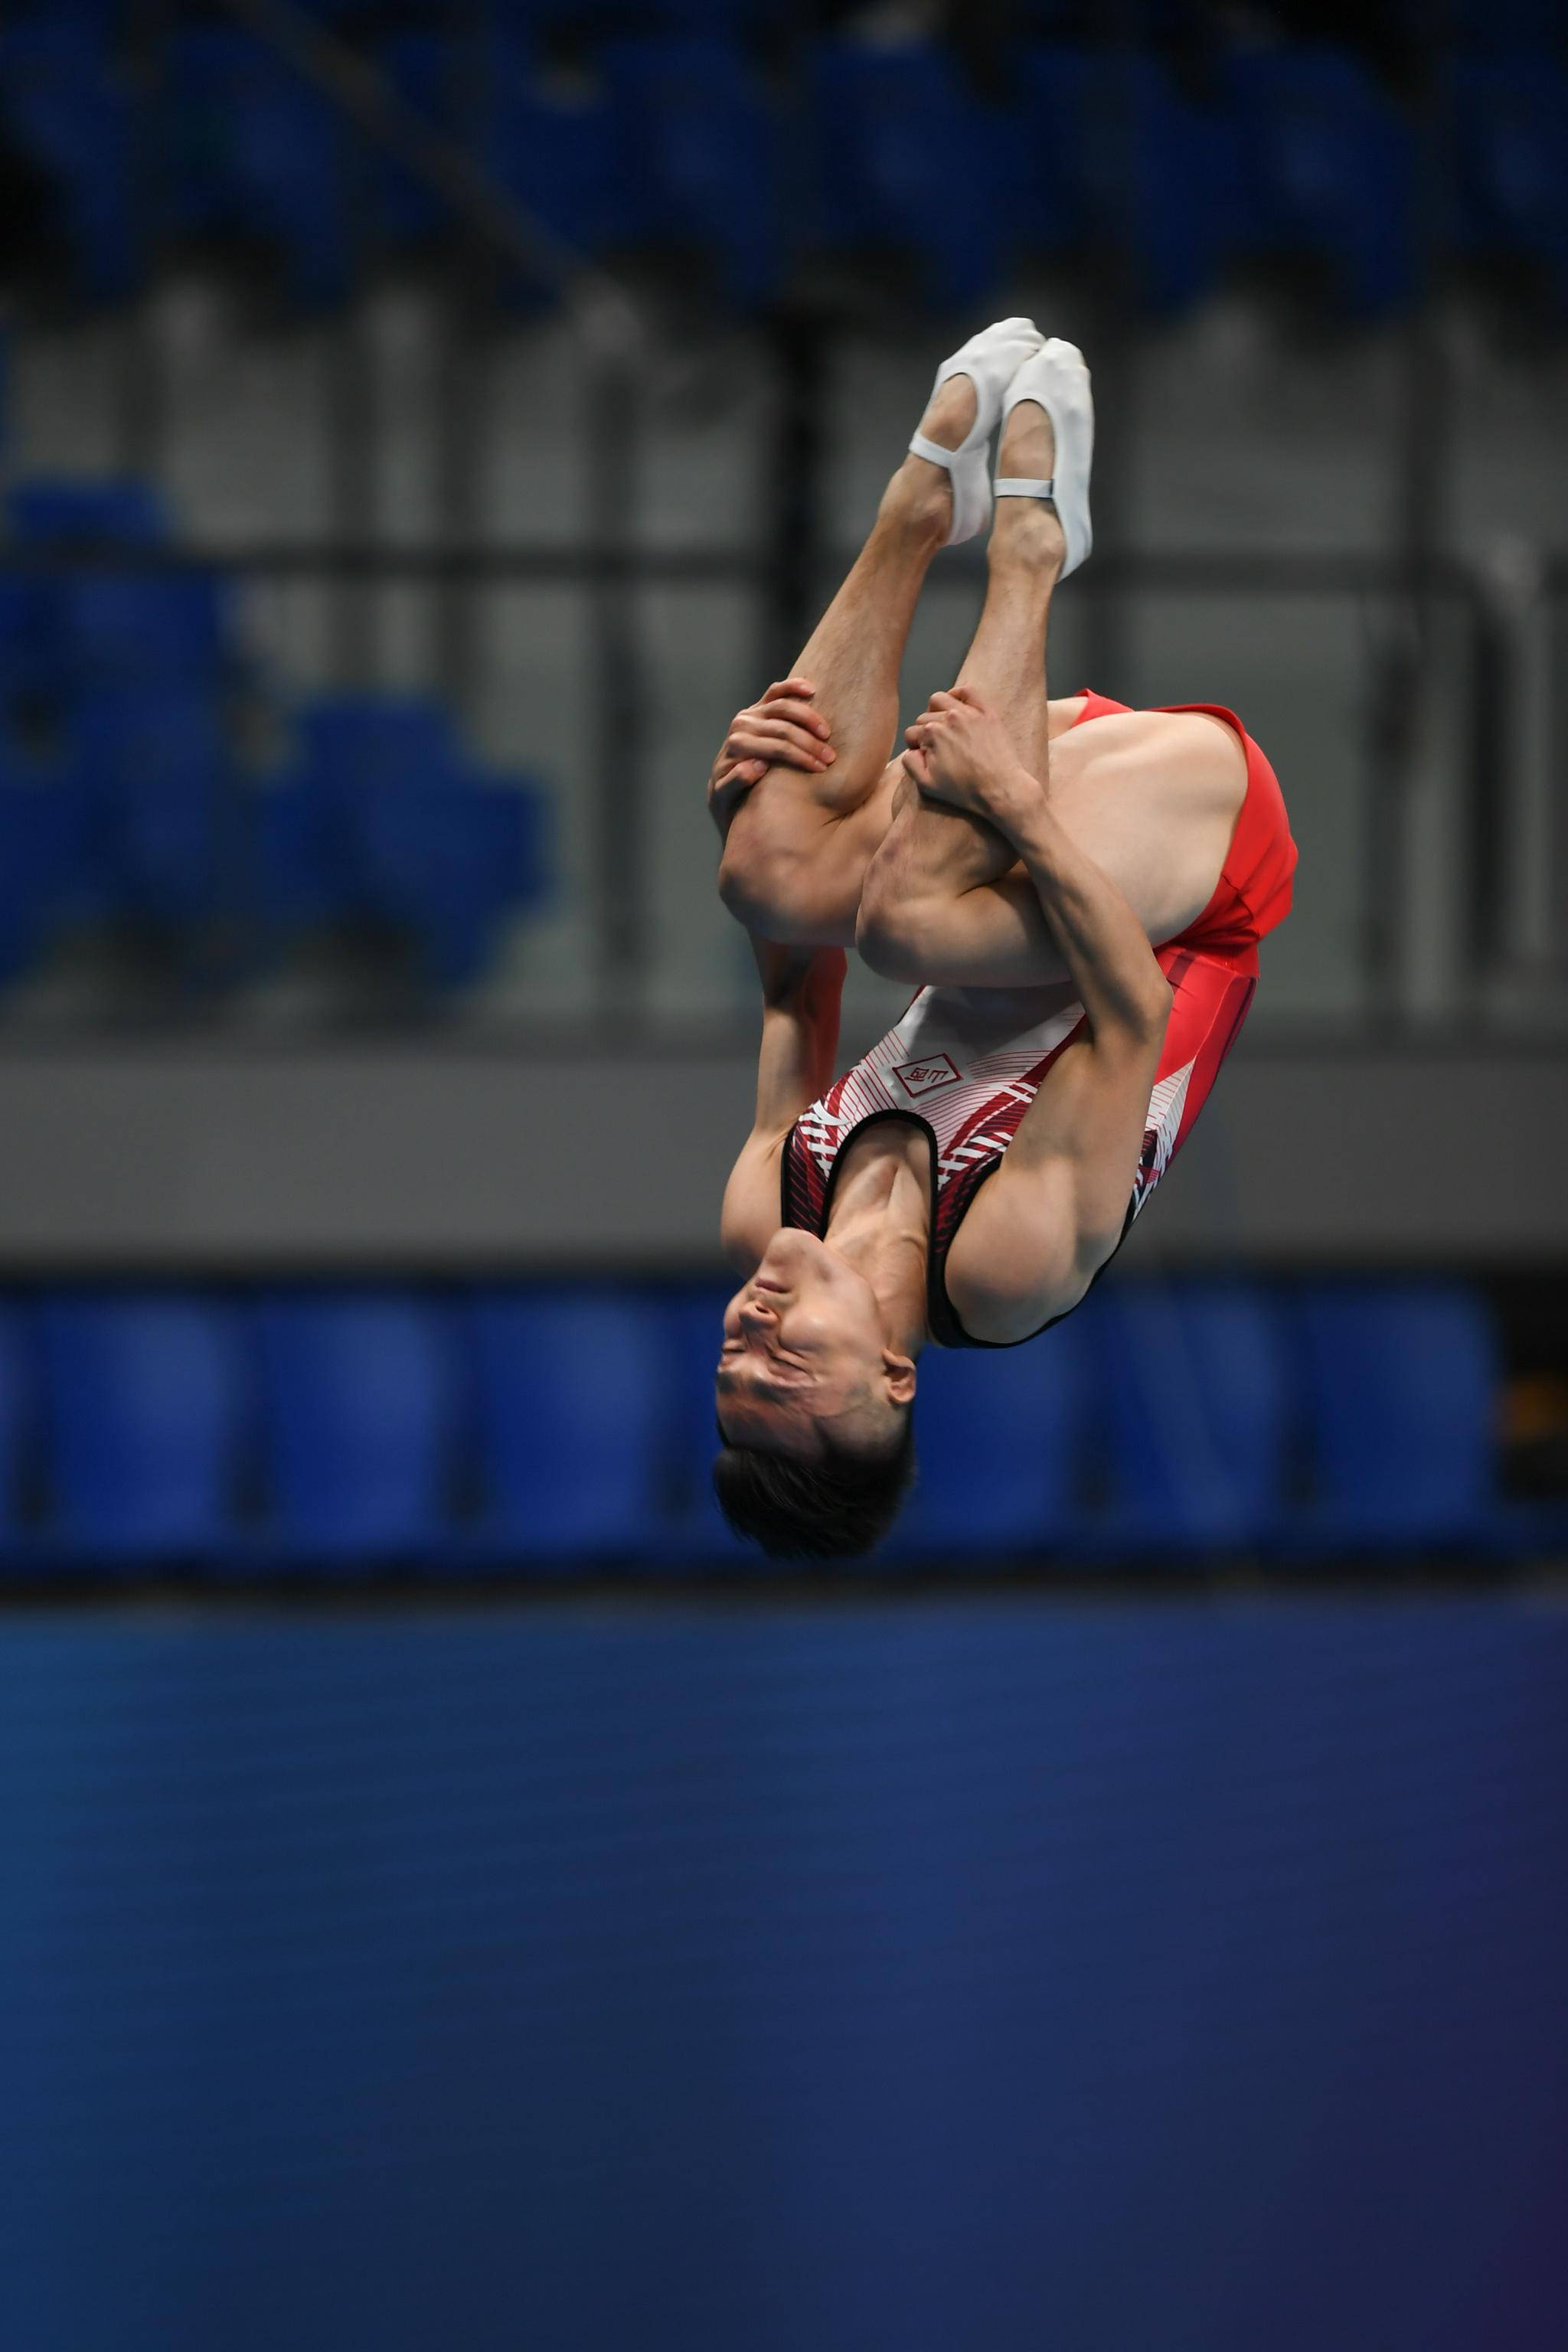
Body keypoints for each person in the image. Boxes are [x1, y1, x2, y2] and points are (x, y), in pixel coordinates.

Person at [707, 322, 1296, 1559]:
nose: (752, 1326)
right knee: (905, 924)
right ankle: (1031, 549)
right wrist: (1017, 803)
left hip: (1007, 832)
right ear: (892, 1375)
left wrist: (749, 807)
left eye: (733, 1361)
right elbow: (1132, 1006)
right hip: (1193, 876)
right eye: (789, 1367)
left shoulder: (773, 1212)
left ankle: (920, 507)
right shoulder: (1006, 1270)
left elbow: (786, 988)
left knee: (767, 875)